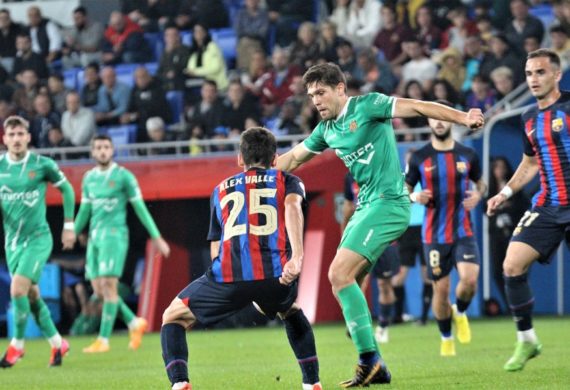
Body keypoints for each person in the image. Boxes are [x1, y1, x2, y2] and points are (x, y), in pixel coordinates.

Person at [275, 62, 484, 387]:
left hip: (389, 203)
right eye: (311, 95)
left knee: (337, 274)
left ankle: (370, 360)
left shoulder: (368, 105)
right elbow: (293, 159)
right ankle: (373, 362)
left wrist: (463, 118)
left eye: (321, 92)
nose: (315, 100)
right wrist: (256, 172)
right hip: (366, 208)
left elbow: (417, 106)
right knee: (345, 282)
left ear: (341, 89)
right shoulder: (326, 130)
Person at [160, 127, 321, 390]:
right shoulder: (288, 180)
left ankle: (179, 383)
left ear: (239, 159)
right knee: (290, 310)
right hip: (275, 275)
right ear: (275, 159)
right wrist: (298, 258)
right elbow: (292, 208)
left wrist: (222, 283)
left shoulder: (220, 189)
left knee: (173, 317)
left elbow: (216, 244)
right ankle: (312, 382)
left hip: (228, 276)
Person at [487, 48, 568, 372]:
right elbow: (531, 162)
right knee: (511, 265)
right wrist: (504, 192)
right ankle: (527, 340)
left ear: (557, 75)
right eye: (529, 73)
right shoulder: (527, 118)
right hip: (548, 204)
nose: (533, 79)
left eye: (541, 72)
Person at [405, 99, 487, 357]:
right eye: (434, 117)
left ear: (451, 119)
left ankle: (460, 312)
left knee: (470, 280)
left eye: (443, 117)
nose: (439, 121)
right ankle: (446, 337)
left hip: (463, 230)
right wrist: (413, 197)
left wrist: (478, 195)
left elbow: (481, 184)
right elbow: (404, 190)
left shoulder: (468, 155)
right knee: (441, 291)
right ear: (429, 120)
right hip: (434, 235)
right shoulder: (420, 157)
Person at [76, 134, 171, 353]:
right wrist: (73, 230)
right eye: (98, 147)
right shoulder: (89, 178)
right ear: (92, 152)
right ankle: (133, 322)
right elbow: (85, 210)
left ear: (112, 150)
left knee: (109, 286)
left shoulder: (123, 177)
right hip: (95, 237)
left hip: (114, 235)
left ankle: (104, 340)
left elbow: (140, 208)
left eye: (106, 147)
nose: (102, 151)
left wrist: (156, 236)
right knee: (99, 291)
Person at [0, 115, 76, 368]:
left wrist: (68, 226)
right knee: (31, 296)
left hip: (38, 239)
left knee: (17, 290)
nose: (16, 139)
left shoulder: (42, 164)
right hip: (12, 243)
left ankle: (17, 346)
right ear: (4, 138)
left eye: (20, 134)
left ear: (28, 137)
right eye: (11, 135)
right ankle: (57, 343)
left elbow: (67, 189)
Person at [342, 172, 399, 343]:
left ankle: (382, 327)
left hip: (383, 237)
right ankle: (358, 323)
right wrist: (344, 235)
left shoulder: (384, 172)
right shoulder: (350, 177)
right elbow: (347, 206)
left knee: (384, 285)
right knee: (356, 281)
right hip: (360, 236)